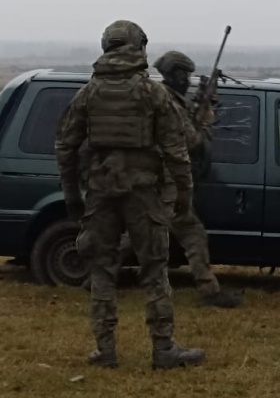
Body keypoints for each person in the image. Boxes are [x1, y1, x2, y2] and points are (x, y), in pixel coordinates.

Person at [55, 19, 206, 370]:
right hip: (143, 193)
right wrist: (184, 193)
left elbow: (65, 145)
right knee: (154, 268)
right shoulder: (152, 92)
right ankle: (163, 348)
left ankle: (105, 349)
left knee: (102, 270)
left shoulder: (89, 92)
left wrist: (71, 194)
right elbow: (176, 149)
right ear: (139, 45)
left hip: (100, 192)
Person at [151, 50, 243, 308]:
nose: (189, 80)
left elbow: (188, 117)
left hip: (161, 178)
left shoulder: (169, 99)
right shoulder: (168, 103)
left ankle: (99, 273)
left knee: (143, 232)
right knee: (192, 234)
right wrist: (206, 121)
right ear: (176, 75)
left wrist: (204, 105)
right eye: (185, 74)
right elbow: (193, 141)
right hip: (168, 180)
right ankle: (209, 290)